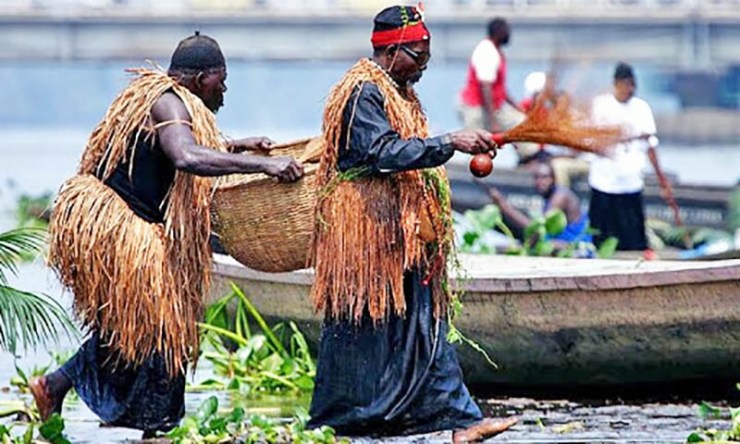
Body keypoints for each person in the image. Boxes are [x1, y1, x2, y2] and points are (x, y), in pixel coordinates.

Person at [30, 33, 303, 437]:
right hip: (116, 224)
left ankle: (56, 386)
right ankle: (153, 423)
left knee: (131, 327)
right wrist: (264, 167)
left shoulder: (162, 98)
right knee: (161, 326)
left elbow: (174, 144)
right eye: (221, 80)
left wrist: (238, 146)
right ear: (199, 78)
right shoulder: (167, 101)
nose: (225, 89)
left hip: (108, 217)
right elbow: (184, 155)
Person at [307, 6, 517, 442]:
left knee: (424, 320)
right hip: (365, 232)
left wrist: (452, 145)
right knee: (359, 327)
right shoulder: (363, 91)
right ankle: (336, 423)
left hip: (399, 233)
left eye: (427, 56)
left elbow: (405, 147)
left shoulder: (398, 91)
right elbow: (382, 153)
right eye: (418, 55)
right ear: (393, 50)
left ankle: (462, 420)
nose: (423, 65)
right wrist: (449, 142)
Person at [588, 62, 662, 252]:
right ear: (616, 84)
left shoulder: (641, 108)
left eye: (632, 85)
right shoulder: (601, 105)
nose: (629, 89)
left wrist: (662, 180)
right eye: (625, 84)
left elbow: (650, 146)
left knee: (634, 239)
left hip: (630, 183)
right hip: (604, 181)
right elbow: (594, 141)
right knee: (601, 237)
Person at [458, 17, 538, 163]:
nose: (509, 34)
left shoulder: (496, 51)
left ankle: (528, 159)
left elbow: (499, 87)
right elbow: (485, 87)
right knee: (476, 143)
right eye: (507, 31)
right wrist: (493, 121)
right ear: (498, 32)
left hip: (490, 107)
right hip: (476, 107)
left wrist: (515, 106)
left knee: (519, 122)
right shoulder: (487, 51)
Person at [488, 161, 592, 249]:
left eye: (544, 177)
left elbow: (537, 229)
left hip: (577, 246)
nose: (540, 182)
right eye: (536, 178)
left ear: (553, 179)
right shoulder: (549, 197)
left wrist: (504, 206)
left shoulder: (560, 197)